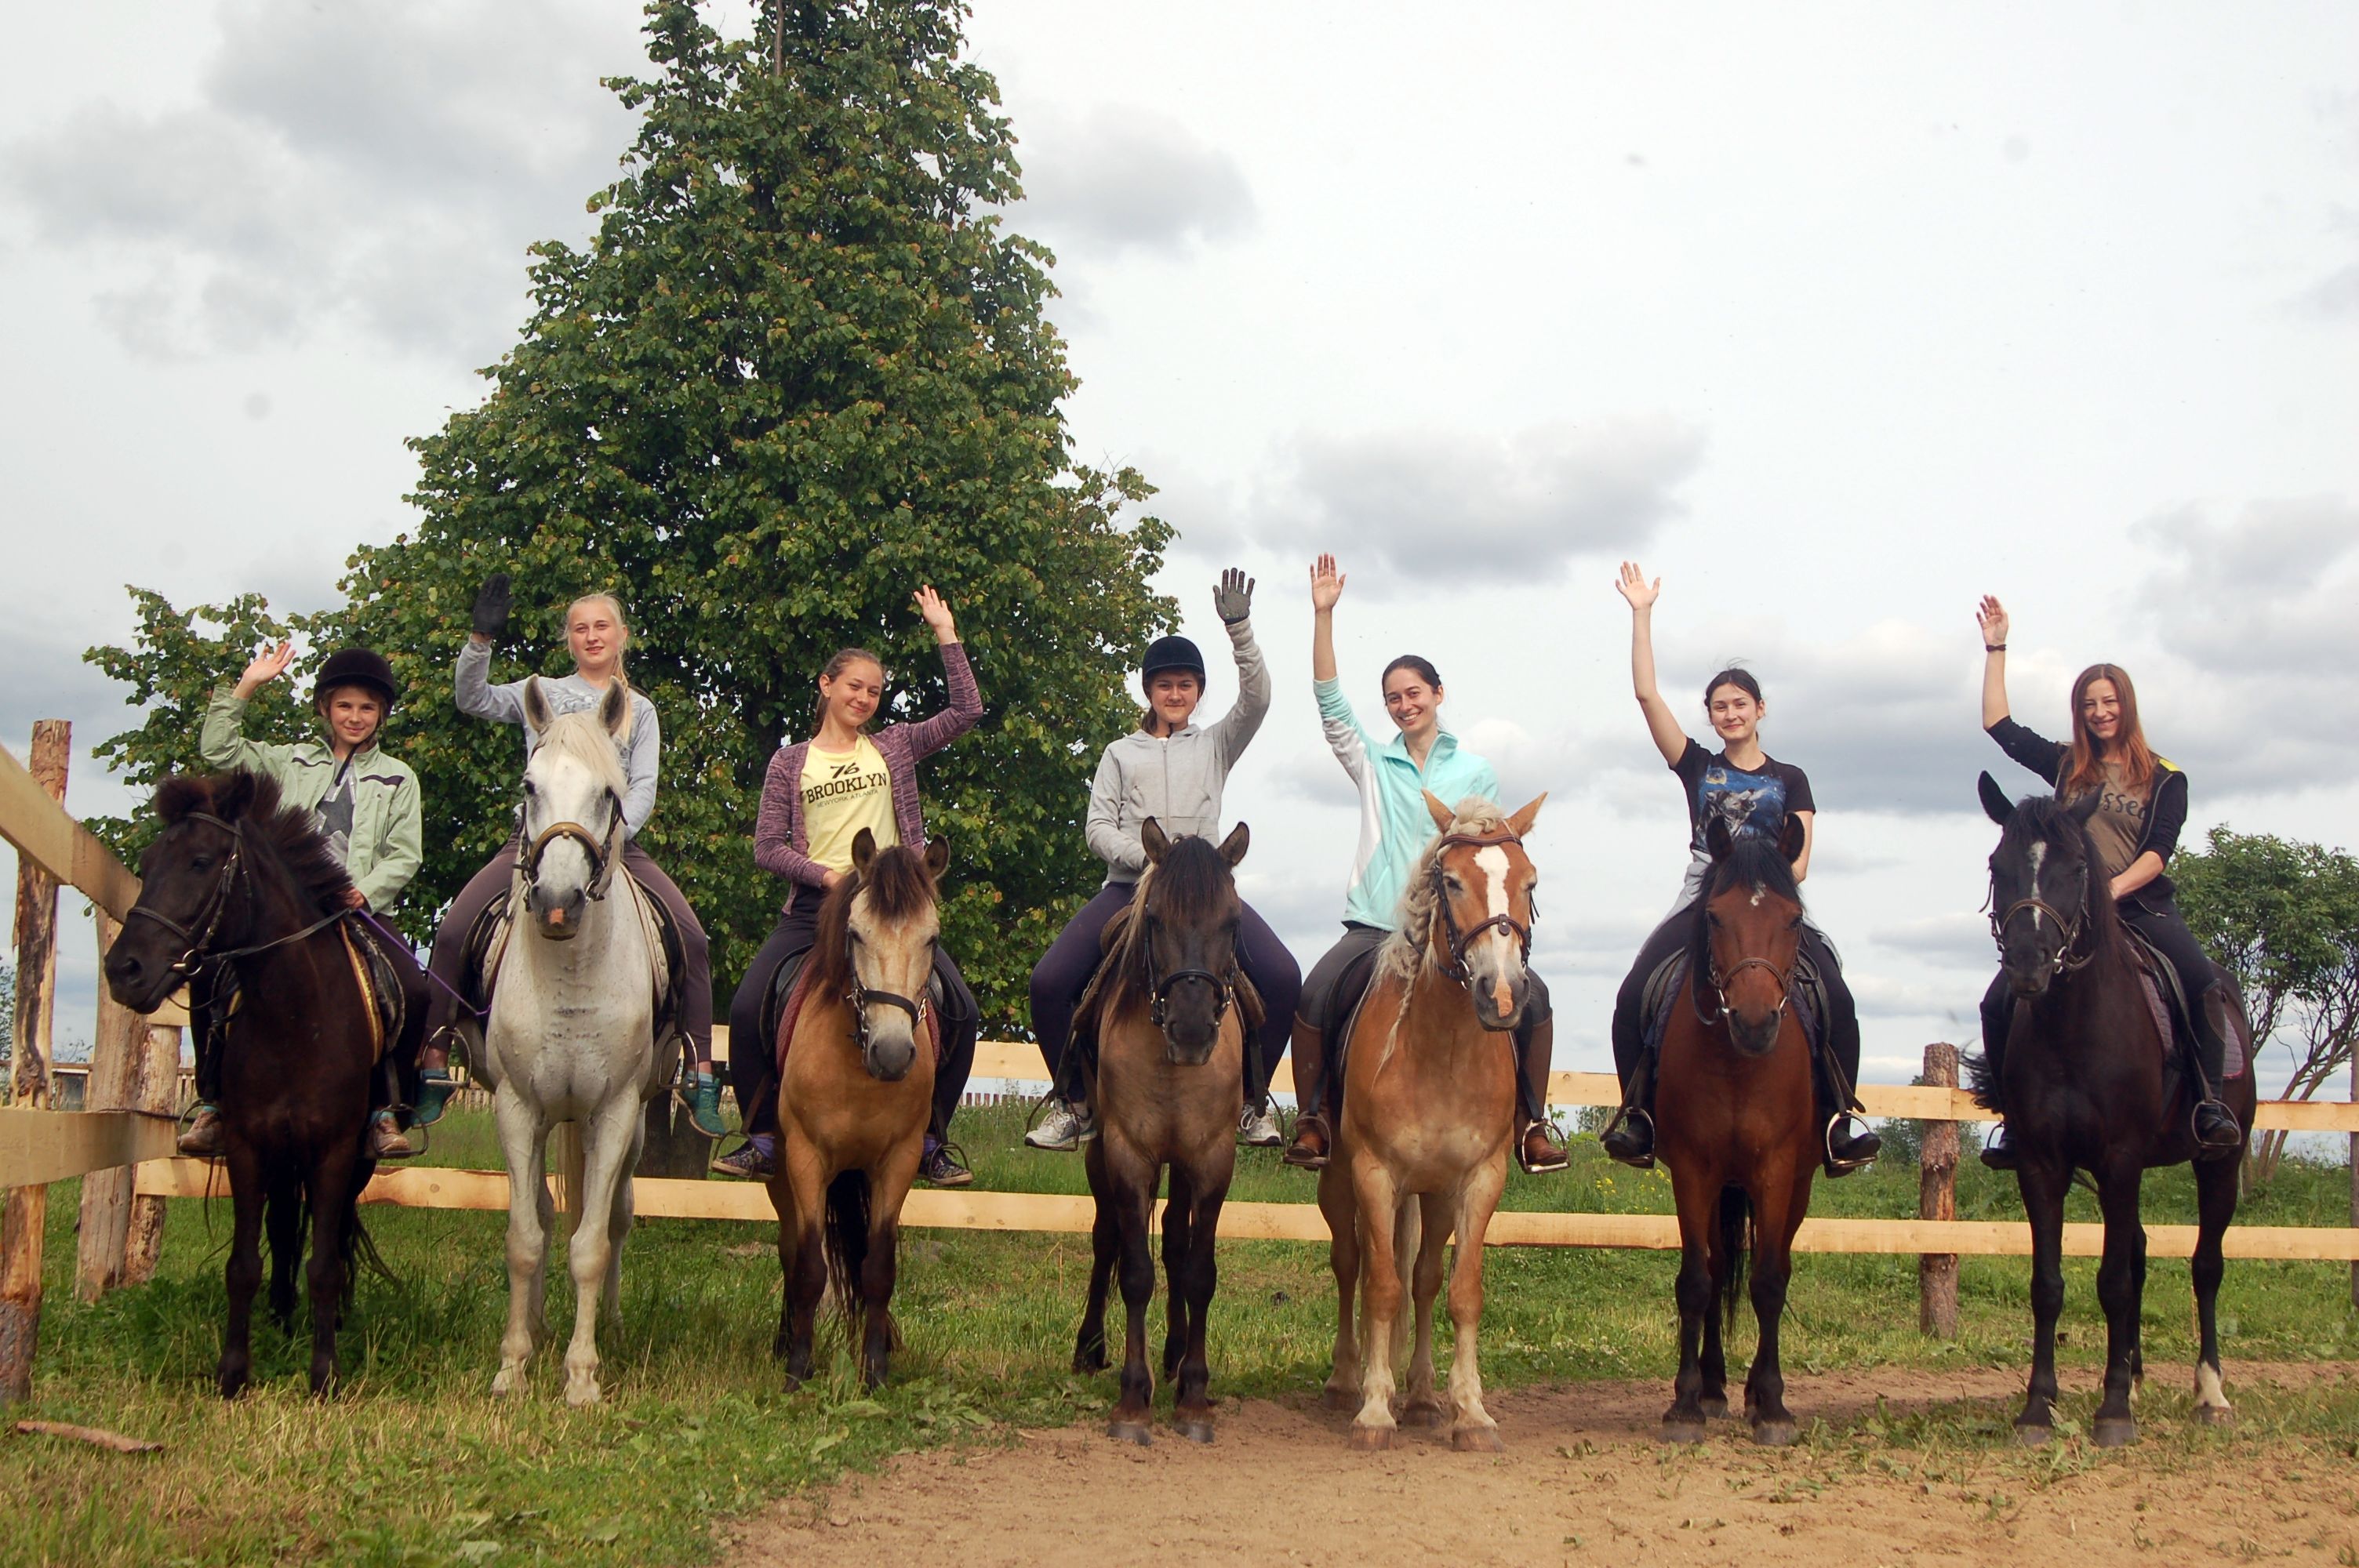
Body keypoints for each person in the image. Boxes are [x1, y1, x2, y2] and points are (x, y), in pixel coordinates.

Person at [1281, 555, 1568, 1175]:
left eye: (1414, 693)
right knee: (1316, 992)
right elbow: (1330, 702)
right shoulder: (1371, 762)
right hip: (1376, 926)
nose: (1404, 704)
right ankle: (1314, 1118)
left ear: (1438, 695)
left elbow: (1490, 856)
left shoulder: (1475, 771)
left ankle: (1531, 1123)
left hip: (1451, 935)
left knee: (1537, 999)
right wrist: (1324, 615)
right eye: (1393, 698)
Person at [413, 579, 723, 1138]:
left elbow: (643, 785)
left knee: (693, 940)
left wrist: (611, 840)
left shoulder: (640, 710)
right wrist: (480, 641)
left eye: (602, 626)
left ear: (622, 635)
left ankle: (699, 1071)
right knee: (455, 929)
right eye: (581, 628)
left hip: (613, 843)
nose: (592, 636)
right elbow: (472, 698)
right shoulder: (541, 693)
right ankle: (434, 1058)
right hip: (533, 842)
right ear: (569, 639)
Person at [1598, 561, 1880, 1174]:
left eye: (1740, 704)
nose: (1730, 714)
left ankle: (1840, 1120)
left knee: (1835, 992)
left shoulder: (1791, 777)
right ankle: (1639, 1117)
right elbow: (1647, 696)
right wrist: (1642, 615)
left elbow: (1799, 861)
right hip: (1706, 895)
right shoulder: (1698, 766)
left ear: (1760, 709)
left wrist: (1771, 884)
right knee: (1634, 991)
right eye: (1720, 707)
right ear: (1710, 716)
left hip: (1774, 899)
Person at [711, 587, 985, 1186]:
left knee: (961, 1010)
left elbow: (967, 711)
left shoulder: (895, 746)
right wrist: (829, 876)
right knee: (747, 1005)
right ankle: (763, 1136)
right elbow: (767, 847)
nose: (863, 697)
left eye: (874, 691)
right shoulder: (790, 762)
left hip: (890, 907)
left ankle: (932, 1139)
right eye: (854, 686)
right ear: (826, 685)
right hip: (817, 906)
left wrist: (946, 634)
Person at [1026, 569, 1302, 1152]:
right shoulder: (1119, 753)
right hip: (1131, 888)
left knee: (1283, 976)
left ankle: (1252, 1102)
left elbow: (1258, 698)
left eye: (1186, 685)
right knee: (1048, 982)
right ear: (1148, 691)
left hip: (1205, 897)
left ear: (1199, 692)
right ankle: (1072, 1102)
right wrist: (1152, 861)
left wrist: (1240, 630)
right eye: (1165, 685)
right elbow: (1097, 827)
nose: (1175, 694)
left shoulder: (1216, 743)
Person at [1972, 595, 2241, 1165]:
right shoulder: (2068, 763)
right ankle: (2015, 1119)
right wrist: (1997, 648)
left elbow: (2158, 853)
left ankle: (2210, 1104)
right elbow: (1999, 725)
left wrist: (2113, 889)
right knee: (1996, 1001)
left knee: (2201, 982)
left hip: (2140, 907)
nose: (2100, 713)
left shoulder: (2166, 777)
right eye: (2090, 704)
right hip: (2070, 912)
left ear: (2127, 705)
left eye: (2109, 701)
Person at [184, 642, 428, 1160]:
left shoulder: (399, 777)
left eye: (367, 708)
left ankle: (387, 1110)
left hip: (356, 909)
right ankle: (212, 1103)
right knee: (210, 975)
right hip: (282, 912)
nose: (355, 717)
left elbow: (405, 854)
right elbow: (219, 752)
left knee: (413, 987)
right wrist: (247, 686)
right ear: (324, 708)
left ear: (382, 713)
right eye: (345, 706)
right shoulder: (286, 760)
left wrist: (366, 891)